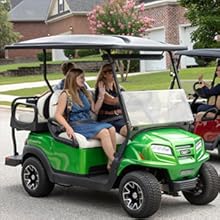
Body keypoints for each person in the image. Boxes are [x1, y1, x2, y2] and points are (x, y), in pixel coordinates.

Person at [55, 67, 116, 170]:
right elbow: (58, 115)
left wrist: (101, 95)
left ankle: (111, 161)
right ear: (73, 79)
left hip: (89, 122)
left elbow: (95, 110)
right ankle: (115, 162)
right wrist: (68, 127)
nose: (84, 80)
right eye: (81, 78)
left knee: (112, 129)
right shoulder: (66, 95)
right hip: (76, 124)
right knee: (104, 132)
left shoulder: (85, 93)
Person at [95, 64, 127, 136]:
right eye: (111, 72)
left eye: (115, 72)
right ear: (104, 74)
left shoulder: (118, 88)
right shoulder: (101, 88)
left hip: (120, 117)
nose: (114, 74)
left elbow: (127, 100)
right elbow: (113, 101)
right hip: (108, 119)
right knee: (126, 129)